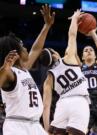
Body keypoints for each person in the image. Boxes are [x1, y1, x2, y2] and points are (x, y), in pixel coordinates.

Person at [0, 5, 55, 135]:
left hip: (35, 125)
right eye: (22, 46)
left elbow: (36, 49)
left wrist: (46, 26)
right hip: (17, 126)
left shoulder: (23, 69)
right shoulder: (9, 72)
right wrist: (4, 68)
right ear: (15, 51)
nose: (26, 49)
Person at [42, 10, 90, 135]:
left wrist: (47, 129)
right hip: (79, 102)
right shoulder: (69, 57)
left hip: (62, 105)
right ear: (54, 54)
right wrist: (74, 19)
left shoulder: (48, 79)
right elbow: (72, 35)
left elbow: (46, 107)